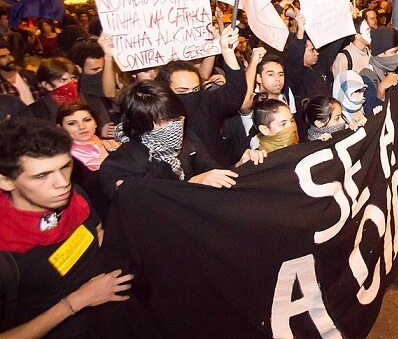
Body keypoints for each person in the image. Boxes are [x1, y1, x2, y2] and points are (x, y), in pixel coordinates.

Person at [0, 117, 132, 337]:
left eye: (65, 166)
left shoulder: (75, 195)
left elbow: (97, 232)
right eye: (42, 176)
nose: (62, 183)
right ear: (5, 181)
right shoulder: (5, 254)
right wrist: (76, 302)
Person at [99, 81, 256, 200]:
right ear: (140, 123)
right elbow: (142, 205)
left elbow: (212, 170)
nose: (173, 126)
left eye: (175, 118)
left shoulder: (187, 141)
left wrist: (239, 166)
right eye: (162, 121)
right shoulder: (122, 163)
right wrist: (191, 185)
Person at [155, 25, 247, 167]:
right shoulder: (155, 115)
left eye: (195, 89)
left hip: (219, 175)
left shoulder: (206, 101)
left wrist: (227, 52)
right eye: (181, 92)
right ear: (165, 90)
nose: (190, 96)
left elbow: (234, 92)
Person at [0, 41, 38, 107]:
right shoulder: (1, 85)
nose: (9, 58)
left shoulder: (29, 76)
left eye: (9, 54)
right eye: (3, 57)